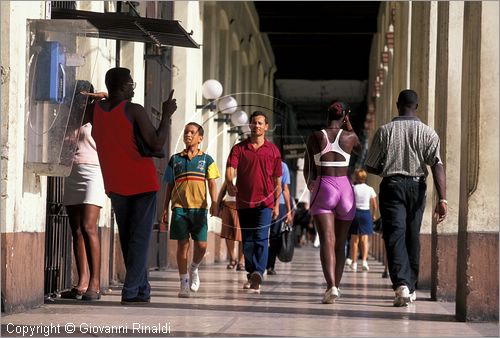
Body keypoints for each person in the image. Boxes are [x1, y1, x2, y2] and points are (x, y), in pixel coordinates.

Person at [83, 67, 177, 305]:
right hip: (142, 182)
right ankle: (131, 288)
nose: (133, 88)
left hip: (115, 182)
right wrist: (166, 115)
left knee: (128, 238)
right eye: (130, 84)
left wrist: (102, 98)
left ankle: (141, 289)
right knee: (140, 238)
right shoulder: (134, 109)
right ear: (122, 87)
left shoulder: (94, 111)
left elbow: (88, 111)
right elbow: (156, 141)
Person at [365, 89, 447, 307]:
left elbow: (370, 165)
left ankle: (402, 284)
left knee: (394, 235)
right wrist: (443, 199)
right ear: (416, 106)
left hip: (392, 186)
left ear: (397, 104)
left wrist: (388, 164)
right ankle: (410, 287)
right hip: (417, 187)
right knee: (412, 235)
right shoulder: (428, 133)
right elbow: (437, 165)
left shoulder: (384, 131)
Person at [303, 101, 360, 304]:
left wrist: (310, 183)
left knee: (327, 239)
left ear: (327, 114)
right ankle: (337, 284)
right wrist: (349, 125)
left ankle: (331, 287)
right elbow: (360, 150)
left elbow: (308, 168)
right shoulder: (350, 137)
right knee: (341, 242)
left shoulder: (316, 136)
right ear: (344, 116)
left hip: (323, 186)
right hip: (345, 188)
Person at [226, 111, 282, 294]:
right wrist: (229, 183)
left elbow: (277, 181)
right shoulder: (239, 148)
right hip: (243, 201)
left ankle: (258, 272)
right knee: (248, 241)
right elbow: (230, 168)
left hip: (265, 202)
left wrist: (275, 204)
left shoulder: (273, 151)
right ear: (249, 126)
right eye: (254, 123)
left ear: (266, 127)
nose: (256, 126)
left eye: (260, 123)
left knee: (260, 238)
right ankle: (252, 274)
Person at [162, 122, 219, 298]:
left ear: (200, 138)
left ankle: (194, 268)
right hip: (180, 208)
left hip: (200, 209)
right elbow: (170, 185)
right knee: (183, 245)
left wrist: (215, 202)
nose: (188, 135)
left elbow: (212, 182)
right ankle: (184, 282)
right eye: (186, 132)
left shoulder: (207, 160)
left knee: (201, 245)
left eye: (192, 132)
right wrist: (165, 208)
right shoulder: (175, 159)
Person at [61, 81, 105, 301]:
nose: (79, 99)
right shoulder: (69, 114)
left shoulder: (97, 112)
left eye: (82, 95)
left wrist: (98, 97)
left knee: (89, 227)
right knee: (76, 229)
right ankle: (82, 282)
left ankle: (95, 284)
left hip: (93, 172)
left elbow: (114, 101)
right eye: (76, 95)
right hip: (72, 171)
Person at [345, 168, 378, 272]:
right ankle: (364, 261)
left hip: (355, 214)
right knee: (364, 240)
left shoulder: (353, 188)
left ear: (356, 177)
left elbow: (348, 202)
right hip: (366, 214)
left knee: (354, 240)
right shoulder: (370, 189)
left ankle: (354, 263)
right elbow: (374, 205)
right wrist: (373, 215)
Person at [266, 161, 293, 275]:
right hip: (270, 204)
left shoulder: (282, 166)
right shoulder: (281, 165)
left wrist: (288, 211)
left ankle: (268, 265)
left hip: (276, 204)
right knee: (272, 236)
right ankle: (267, 266)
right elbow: (285, 189)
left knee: (272, 236)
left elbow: (285, 189)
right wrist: (289, 211)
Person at [216, 180, 244, 271]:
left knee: (242, 236)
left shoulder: (247, 175)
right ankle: (232, 259)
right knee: (228, 235)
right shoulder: (230, 177)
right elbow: (222, 191)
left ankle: (241, 261)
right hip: (228, 205)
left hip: (243, 207)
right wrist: (217, 206)